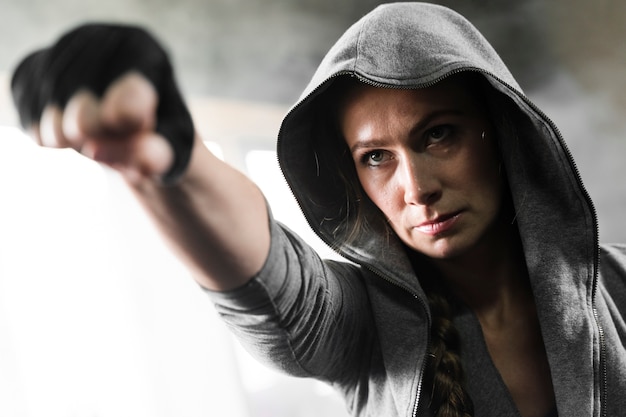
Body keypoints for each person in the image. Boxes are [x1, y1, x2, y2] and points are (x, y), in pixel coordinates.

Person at [9, 3, 626, 417]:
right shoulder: (366, 324)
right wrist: (172, 161)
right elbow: (270, 284)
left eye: (438, 135)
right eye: (375, 157)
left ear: (502, 135)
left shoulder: (619, 284)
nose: (415, 186)